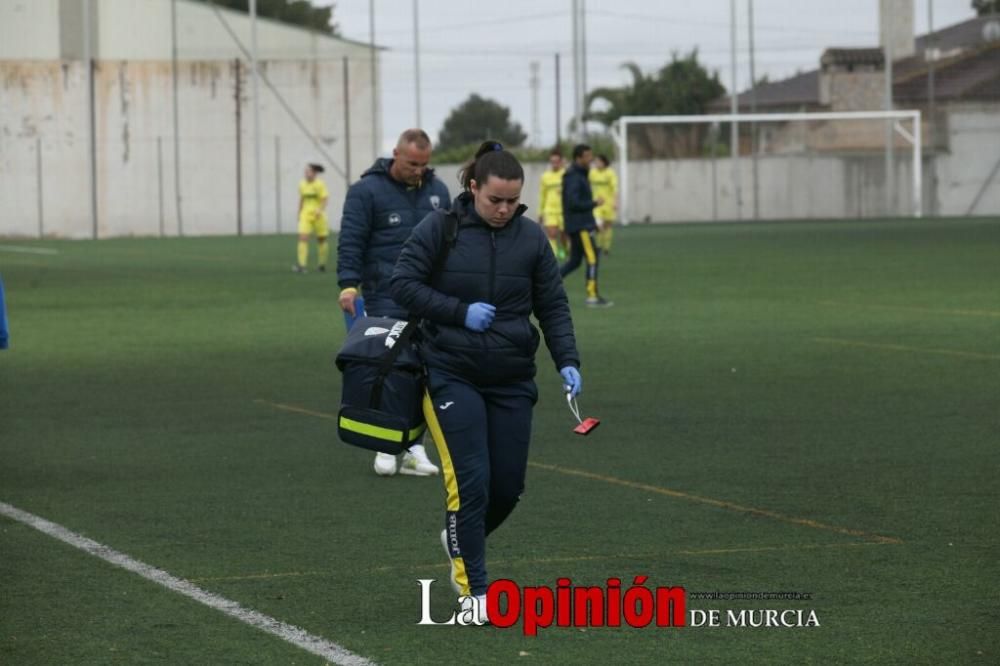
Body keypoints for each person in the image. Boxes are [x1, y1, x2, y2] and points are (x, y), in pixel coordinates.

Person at [391, 141, 583, 621]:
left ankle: (457, 535)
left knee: (508, 487)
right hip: (450, 372)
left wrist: (567, 360)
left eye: (512, 201)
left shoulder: (533, 238)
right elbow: (403, 284)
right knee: (471, 483)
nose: (503, 209)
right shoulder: (441, 228)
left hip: (513, 377)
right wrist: (459, 312)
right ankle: (474, 592)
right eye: (494, 199)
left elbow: (553, 305)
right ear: (474, 187)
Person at [337, 128, 451, 478]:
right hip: (382, 295)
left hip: (429, 298)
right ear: (395, 154)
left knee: (425, 374)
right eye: (413, 163)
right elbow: (351, 240)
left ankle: (415, 449)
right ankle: (384, 448)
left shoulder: (438, 191)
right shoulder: (364, 192)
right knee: (386, 372)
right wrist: (348, 286)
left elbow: (450, 243)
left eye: (424, 164)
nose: (419, 170)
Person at [561, 143, 613, 307]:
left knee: (575, 261)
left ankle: (546, 283)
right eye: (588, 156)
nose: (591, 159)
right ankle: (592, 296)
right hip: (580, 226)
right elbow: (573, 203)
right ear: (579, 158)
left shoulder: (581, 174)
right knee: (592, 258)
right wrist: (593, 203)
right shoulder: (574, 176)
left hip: (582, 223)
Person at [294, 163, 330, 273]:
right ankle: (302, 265)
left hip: (318, 215)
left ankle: (322, 265)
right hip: (305, 214)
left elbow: (324, 198)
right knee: (303, 238)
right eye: (306, 172)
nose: (306, 174)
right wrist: (299, 213)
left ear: (314, 173)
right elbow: (301, 199)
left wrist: (320, 209)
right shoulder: (302, 184)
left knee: (321, 239)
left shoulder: (320, 184)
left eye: (308, 171)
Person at [537, 148, 567, 260]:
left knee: (564, 235)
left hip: (564, 210)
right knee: (552, 234)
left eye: (556, 161)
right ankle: (554, 257)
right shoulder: (545, 176)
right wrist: (540, 211)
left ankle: (564, 250)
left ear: (561, 161)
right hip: (549, 210)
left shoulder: (566, 174)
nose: (554, 164)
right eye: (552, 161)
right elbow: (542, 195)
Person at [589, 154, 618, 255]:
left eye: (598, 161)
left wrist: (615, 202)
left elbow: (615, 189)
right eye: (595, 162)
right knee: (598, 226)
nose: (596, 164)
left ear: (604, 162)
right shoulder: (592, 173)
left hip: (608, 204)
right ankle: (599, 246)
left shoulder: (610, 173)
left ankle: (606, 248)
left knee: (607, 227)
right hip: (596, 204)